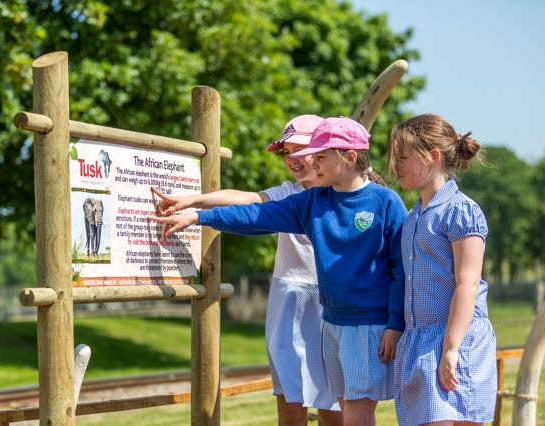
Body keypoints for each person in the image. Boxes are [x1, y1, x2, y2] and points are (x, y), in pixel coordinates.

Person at [150, 116, 407, 425]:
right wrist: (198, 216)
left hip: (366, 324)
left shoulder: (385, 202)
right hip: (333, 321)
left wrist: (395, 324)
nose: (307, 161)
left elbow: (400, 268)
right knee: (338, 405)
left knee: (355, 411)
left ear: (349, 157)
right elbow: (255, 213)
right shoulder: (309, 201)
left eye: (318, 155)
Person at [386, 113, 497, 426]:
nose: (396, 167)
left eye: (402, 157)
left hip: (456, 341)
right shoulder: (412, 217)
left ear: (432, 157)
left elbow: (468, 285)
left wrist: (451, 349)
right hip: (419, 342)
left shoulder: (461, 211)